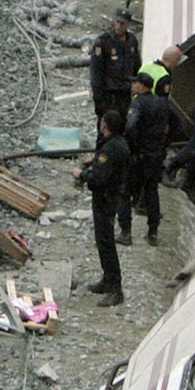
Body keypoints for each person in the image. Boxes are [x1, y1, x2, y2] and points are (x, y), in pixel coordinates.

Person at [74, 110, 130, 306]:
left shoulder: (110, 148)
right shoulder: (118, 143)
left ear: (105, 126)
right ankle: (107, 280)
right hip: (111, 196)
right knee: (102, 240)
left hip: (106, 199)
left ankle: (116, 289)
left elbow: (99, 178)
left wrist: (82, 174)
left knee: (106, 242)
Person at [122, 71, 175, 245]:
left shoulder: (138, 103)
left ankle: (125, 233)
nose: (132, 86)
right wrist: (164, 143)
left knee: (126, 192)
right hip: (156, 155)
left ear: (142, 86)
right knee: (152, 192)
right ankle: (153, 233)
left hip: (139, 155)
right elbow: (176, 125)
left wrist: (132, 147)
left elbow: (130, 127)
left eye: (135, 83)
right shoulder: (162, 103)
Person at [89, 10, 141, 134]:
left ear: (128, 24)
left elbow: (136, 66)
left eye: (122, 23)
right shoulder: (103, 42)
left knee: (124, 127)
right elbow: (96, 73)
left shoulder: (132, 41)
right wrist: (98, 99)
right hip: (109, 94)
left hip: (125, 93)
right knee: (106, 129)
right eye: (117, 22)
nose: (118, 26)